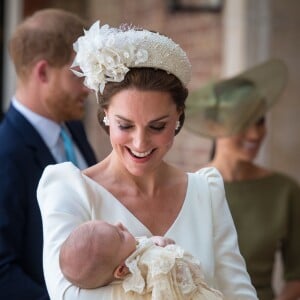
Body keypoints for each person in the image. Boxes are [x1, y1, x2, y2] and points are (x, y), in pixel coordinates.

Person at [37, 20, 258, 299]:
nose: (140, 143)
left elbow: (239, 293)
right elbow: (68, 295)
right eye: (125, 126)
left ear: (178, 117)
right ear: (105, 115)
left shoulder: (206, 192)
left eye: (157, 126)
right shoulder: (68, 188)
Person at [0, 9, 97, 300]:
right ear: (43, 72)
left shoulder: (74, 130)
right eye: (79, 73)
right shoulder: (6, 153)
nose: (88, 88)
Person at [184, 59, 300, 300]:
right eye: (243, 122)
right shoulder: (189, 188)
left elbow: (297, 274)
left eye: (259, 121)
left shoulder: (284, 191)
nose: (255, 134)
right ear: (213, 125)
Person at [59, 220, 223, 299]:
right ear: (122, 270)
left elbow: (149, 246)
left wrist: (160, 242)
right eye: (120, 235)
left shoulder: (128, 252)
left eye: (113, 225)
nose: (120, 224)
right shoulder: (147, 270)